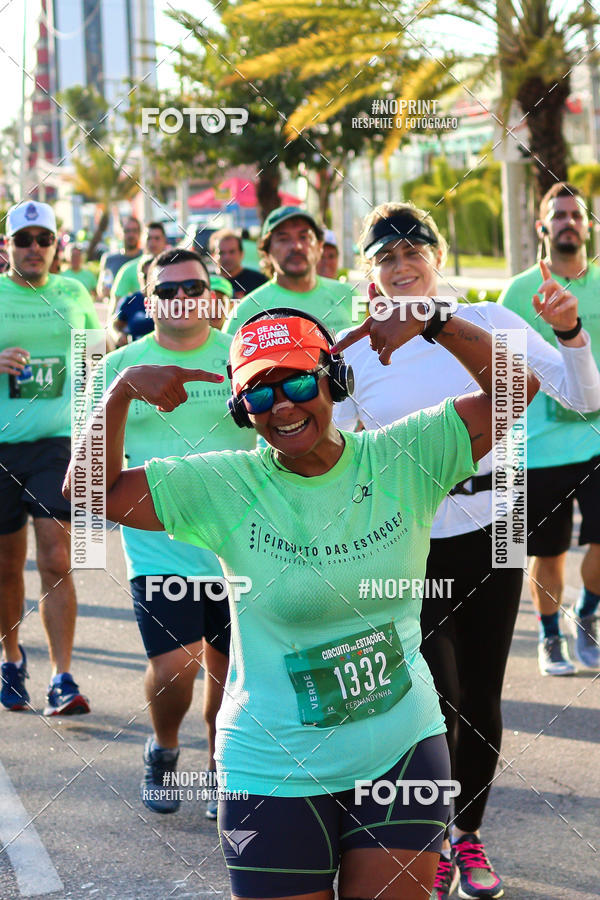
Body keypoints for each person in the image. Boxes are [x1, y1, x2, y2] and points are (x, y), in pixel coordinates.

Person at [64, 296, 538, 899]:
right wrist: (120, 391)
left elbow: (515, 387)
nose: (281, 405)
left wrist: (433, 322)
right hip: (273, 764)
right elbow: (86, 493)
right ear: (243, 412)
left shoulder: (404, 457)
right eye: (259, 395)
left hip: (400, 751)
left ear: (333, 379)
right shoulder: (223, 486)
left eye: (295, 380)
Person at [332, 201, 600, 900]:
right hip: (409, 536)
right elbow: (328, 454)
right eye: (385, 256)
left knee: (481, 694)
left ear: (438, 258)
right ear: (369, 274)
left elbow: (583, 397)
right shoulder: (352, 348)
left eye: (413, 250)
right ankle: (429, 833)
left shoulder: (491, 322)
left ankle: (468, 838)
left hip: (497, 524)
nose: (402, 263)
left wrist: (569, 330)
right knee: (437, 697)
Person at [89, 248, 255, 817]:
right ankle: (162, 750)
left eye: (193, 286)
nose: (182, 298)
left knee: (232, 671)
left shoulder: (239, 353)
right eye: (168, 290)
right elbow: (87, 470)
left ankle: (218, 767)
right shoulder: (120, 366)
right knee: (177, 665)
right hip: (160, 545)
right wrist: (124, 394)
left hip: (243, 546)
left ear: (211, 293)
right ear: (146, 298)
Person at [0, 200, 100, 715]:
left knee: (57, 557)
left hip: (56, 442)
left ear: (56, 245)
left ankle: (63, 676)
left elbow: (96, 357)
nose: (34, 249)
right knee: (6, 563)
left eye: (43, 240)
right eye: (24, 240)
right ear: (8, 246)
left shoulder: (73, 293)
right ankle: (11, 657)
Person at [499, 182, 600, 675]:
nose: (567, 222)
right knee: (551, 554)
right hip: (538, 450)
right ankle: (548, 635)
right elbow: (495, 367)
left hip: (596, 442)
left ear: (587, 226)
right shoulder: (517, 292)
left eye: (575, 215)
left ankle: (586, 616)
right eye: (557, 215)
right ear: (543, 227)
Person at [223, 206, 355, 337]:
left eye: (304, 237)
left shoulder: (349, 296)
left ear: (319, 246)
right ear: (267, 252)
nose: (296, 246)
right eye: (283, 239)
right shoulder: (245, 312)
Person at [109, 221, 168, 314]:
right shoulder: (128, 270)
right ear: (143, 240)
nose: (153, 242)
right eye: (149, 238)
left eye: (157, 238)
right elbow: (115, 310)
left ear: (164, 240)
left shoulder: (173, 268)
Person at [110, 255, 155, 348]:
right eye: (145, 276)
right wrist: (119, 335)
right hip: (136, 355)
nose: (149, 280)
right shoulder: (130, 301)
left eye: (152, 276)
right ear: (139, 277)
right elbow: (115, 325)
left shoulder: (170, 301)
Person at [209, 227, 267, 299]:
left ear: (241, 254)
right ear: (213, 256)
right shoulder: (206, 282)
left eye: (232, 252)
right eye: (221, 252)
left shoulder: (259, 281)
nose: (227, 257)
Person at [97, 216, 143, 302]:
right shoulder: (109, 259)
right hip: (117, 310)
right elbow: (101, 289)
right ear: (121, 233)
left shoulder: (146, 258)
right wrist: (104, 291)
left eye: (134, 231)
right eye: (127, 231)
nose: (131, 235)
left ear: (140, 233)